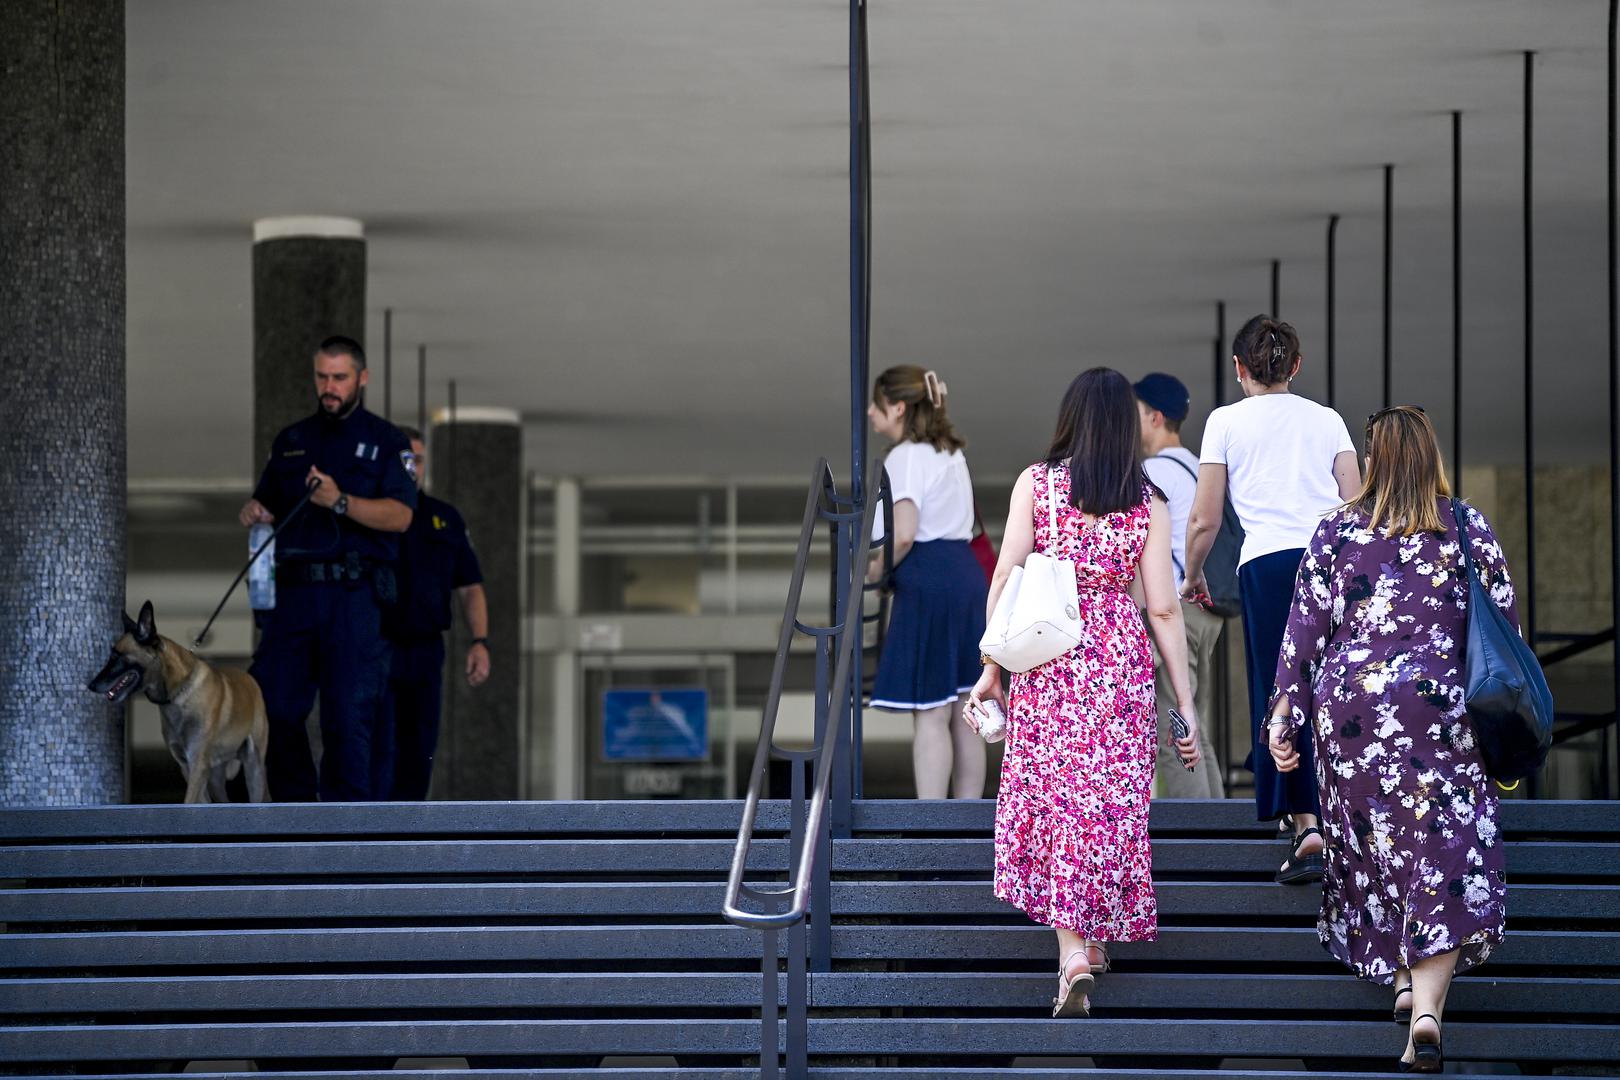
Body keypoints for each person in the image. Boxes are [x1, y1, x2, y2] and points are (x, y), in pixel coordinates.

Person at [1268, 406, 1509, 1073]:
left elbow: (1302, 631)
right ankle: (1426, 1009)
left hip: (1351, 714)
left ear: (1372, 461)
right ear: (1431, 455)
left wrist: (1283, 716)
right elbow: (1504, 628)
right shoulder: (1466, 526)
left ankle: (1403, 979)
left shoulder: (1337, 530)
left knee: (1374, 846)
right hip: (1441, 711)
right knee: (1444, 852)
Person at [969, 367, 1202, 1019]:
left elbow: (1007, 575)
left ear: (1070, 417)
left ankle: (1072, 951)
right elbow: (1163, 608)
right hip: (1119, 658)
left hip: (1049, 654)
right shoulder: (1147, 499)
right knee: (1108, 801)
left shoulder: (1038, 484)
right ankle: (1091, 938)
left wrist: (991, 664)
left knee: (1058, 798)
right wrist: (1184, 702)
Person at [1181, 316, 1360, 883]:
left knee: (1281, 685)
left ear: (1239, 368)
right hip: (1330, 562)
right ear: (1296, 366)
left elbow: (1205, 518)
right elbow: (1355, 504)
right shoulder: (1328, 420)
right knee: (1332, 684)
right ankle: (1341, 811)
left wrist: (1193, 575)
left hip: (1267, 565)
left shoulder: (1225, 421)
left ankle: (1305, 823)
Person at [239, 336, 416, 802]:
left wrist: (340, 501)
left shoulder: (387, 441)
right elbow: (268, 503)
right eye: (322, 377)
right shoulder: (292, 441)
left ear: (362, 378)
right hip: (295, 596)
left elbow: (401, 516)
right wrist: (256, 511)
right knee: (274, 705)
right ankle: (297, 816)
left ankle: (345, 829)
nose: (329, 387)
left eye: (339, 377)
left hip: (353, 597)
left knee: (347, 718)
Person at [866, 365, 989, 800]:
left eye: (877, 405)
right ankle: (969, 820)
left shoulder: (905, 457)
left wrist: (875, 571)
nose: (870, 413)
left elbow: (903, 532)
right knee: (966, 711)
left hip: (929, 580)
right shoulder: (951, 454)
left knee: (931, 710)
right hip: (966, 576)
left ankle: (931, 822)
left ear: (899, 408)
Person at [373, 426, 490, 801]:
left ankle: (408, 827)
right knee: (378, 746)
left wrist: (480, 641)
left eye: (418, 460)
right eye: (403, 460)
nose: (411, 468)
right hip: (375, 646)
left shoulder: (445, 518)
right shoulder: (370, 515)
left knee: (419, 745)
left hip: (425, 649)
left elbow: (470, 585)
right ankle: (373, 828)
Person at [1135, 372, 1225, 798]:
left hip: (1175, 612)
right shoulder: (1196, 466)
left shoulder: (1151, 473)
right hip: (1207, 613)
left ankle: (1196, 832)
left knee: (1173, 732)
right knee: (1195, 727)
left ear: (1154, 417)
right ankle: (1218, 825)